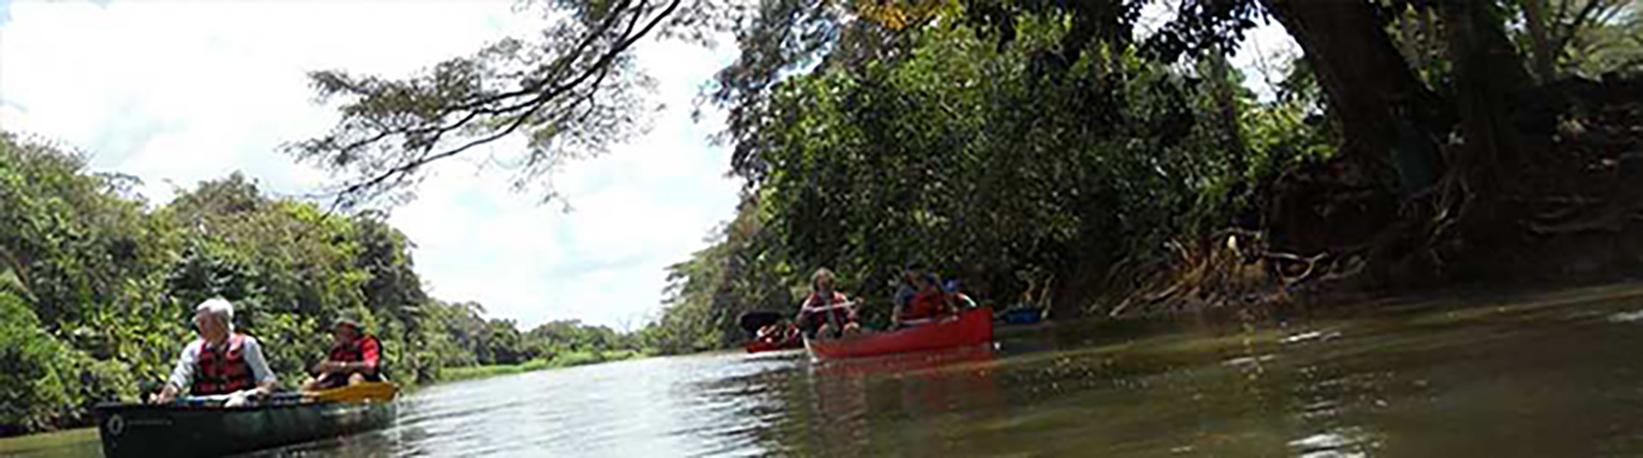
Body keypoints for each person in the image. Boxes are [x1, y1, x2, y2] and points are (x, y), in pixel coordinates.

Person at [150, 298, 277, 407]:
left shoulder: (247, 345)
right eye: (198, 322)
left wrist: (251, 397)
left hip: (238, 409)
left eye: (204, 322)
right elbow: (179, 378)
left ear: (220, 323)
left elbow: (267, 380)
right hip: (206, 412)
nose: (199, 326)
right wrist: (165, 395)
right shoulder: (194, 349)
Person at [302, 316, 383, 391]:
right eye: (338, 330)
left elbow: (370, 368)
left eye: (342, 330)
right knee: (310, 383)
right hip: (340, 381)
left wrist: (343, 366)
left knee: (355, 379)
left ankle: (356, 404)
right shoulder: (338, 349)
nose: (338, 334)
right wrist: (319, 380)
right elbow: (329, 370)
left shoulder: (367, 343)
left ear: (353, 331)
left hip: (365, 381)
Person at [796, 268, 860, 339]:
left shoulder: (840, 298)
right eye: (822, 283)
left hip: (840, 331)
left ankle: (849, 347)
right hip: (821, 333)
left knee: (852, 327)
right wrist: (804, 316)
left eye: (828, 282)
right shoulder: (810, 302)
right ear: (816, 284)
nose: (825, 285)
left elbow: (850, 316)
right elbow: (800, 322)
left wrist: (857, 308)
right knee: (826, 329)